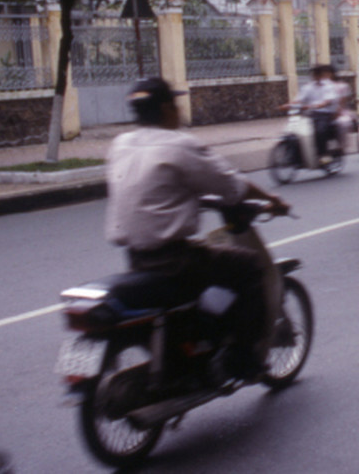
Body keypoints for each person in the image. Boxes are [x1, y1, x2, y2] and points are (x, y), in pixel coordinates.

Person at [106, 77, 287, 380]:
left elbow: (152, 191)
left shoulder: (120, 144)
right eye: (175, 104)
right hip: (175, 261)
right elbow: (232, 185)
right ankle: (244, 359)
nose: (179, 110)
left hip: (136, 258)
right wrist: (271, 199)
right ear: (166, 109)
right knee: (250, 266)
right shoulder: (179, 145)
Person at [281, 65, 340, 161]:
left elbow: (328, 100)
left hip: (324, 114)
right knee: (296, 131)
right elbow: (299, 99)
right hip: (310, 114)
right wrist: (287, 105)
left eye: (318, 74)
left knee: (319, 131)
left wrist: (317, 105)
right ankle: (297, 155)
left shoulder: (328, 86)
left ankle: (323, 154)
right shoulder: (308, 87)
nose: (316, 76)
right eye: (314, 74)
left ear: (322, 75)